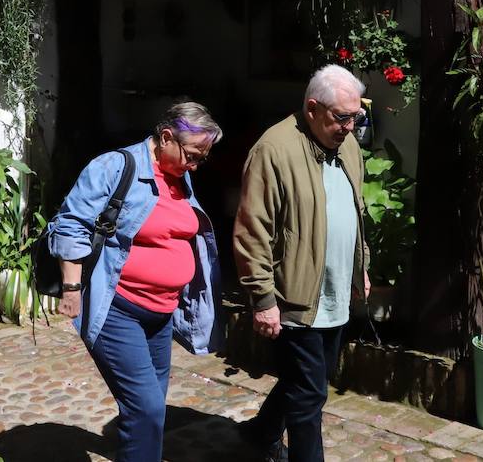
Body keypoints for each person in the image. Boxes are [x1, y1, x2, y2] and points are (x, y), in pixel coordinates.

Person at [47, 102, 225, 462]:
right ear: (166, 138)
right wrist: (71, 287)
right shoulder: (114, 166)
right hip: (118, 309)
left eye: (202, 158)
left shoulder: (179, 175)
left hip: (161, 314)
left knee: (149, 409)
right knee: (146, 409)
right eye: (193, 155)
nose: (196, 165)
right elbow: (70, 225)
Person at [233, 66, 371, 462]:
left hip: (334, 291)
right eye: (341, 117)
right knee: (311, 393)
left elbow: (355, 210)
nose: (350, 125)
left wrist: (360, 263)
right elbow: (251, 231)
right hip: (294, 298)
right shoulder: (273, 150)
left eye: (356, 115)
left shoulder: (347, 146)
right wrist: (262, 298)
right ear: (312, 108)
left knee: (306, 380)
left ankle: (261, 432)